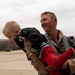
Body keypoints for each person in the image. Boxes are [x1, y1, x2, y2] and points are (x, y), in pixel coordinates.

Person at [2, 21, 75, 75]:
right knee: (52, 71)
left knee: (55, 64)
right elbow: (26, 51)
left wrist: (33, 51)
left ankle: (72, 50)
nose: (10, 39)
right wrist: (30, 57)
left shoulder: (25, 32)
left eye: (10, 37)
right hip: (40, 56)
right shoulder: (19, 41)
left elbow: (37, 36)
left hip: (45, 51)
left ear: (16, 31)